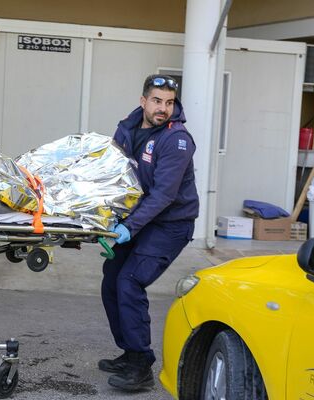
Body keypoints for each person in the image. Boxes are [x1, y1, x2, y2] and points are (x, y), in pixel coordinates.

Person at [98, 74, 199, 391]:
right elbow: (113, 174)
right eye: (157, 100)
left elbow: (163, 195)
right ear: (143, 101)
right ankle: (129, 352)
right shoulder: (126, 129)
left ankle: (141, 365)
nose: (163, 108)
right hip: (139, 218)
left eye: (169, 103)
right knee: (112, 277)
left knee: (131, 280)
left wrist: (128, 228)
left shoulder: (177, 139)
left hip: (170, 224)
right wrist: (103, 217)